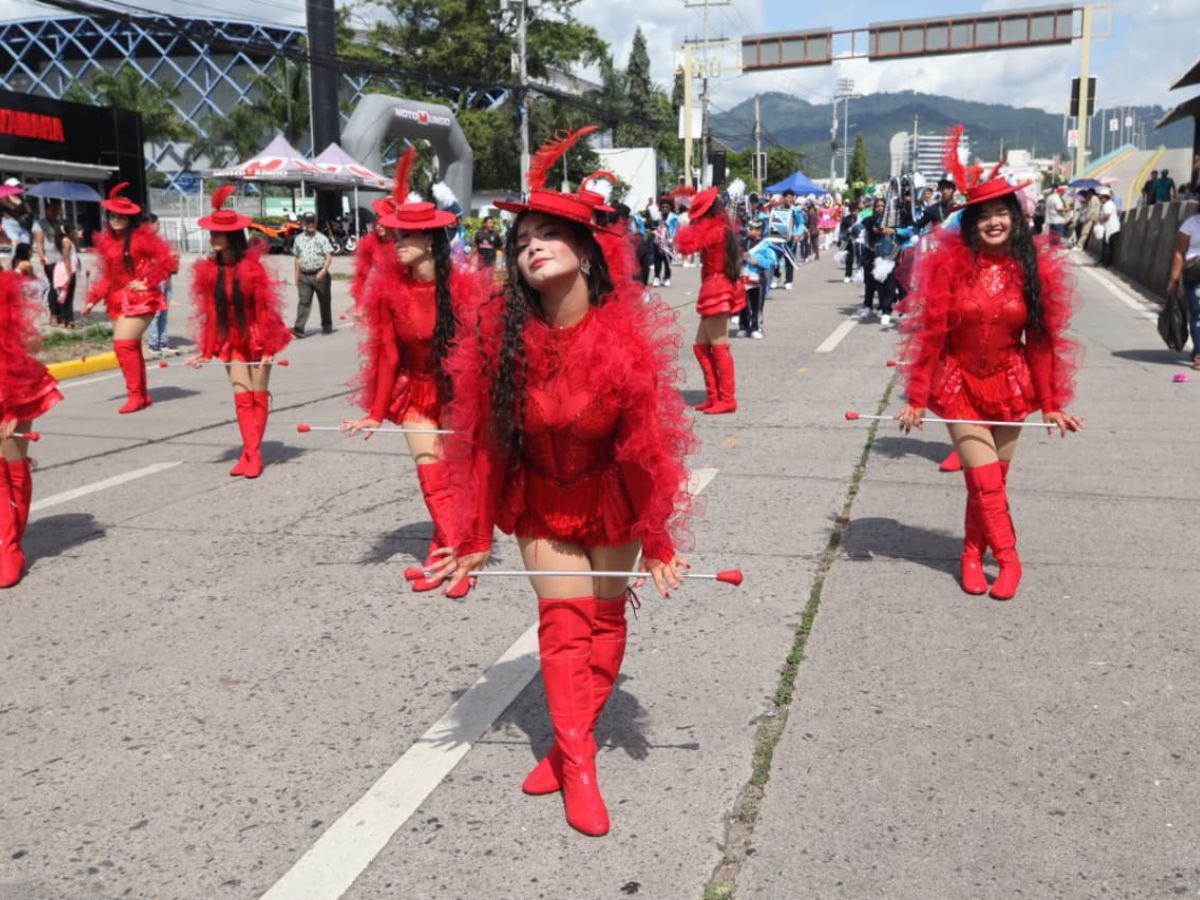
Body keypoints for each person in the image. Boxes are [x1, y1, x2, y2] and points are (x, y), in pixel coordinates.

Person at [440, 125, 694, 837]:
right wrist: (471, 536)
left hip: (610, 496)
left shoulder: (625, 341)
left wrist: (658, 538)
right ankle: (581, 767)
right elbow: (487, 449)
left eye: (549, 235)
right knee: (563, 624)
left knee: (605, 623)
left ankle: (563, 743)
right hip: (541, 498)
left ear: (585, 251)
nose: (532, 247)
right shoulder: (502, 342)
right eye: (522, 241)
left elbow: (645, 451)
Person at [895, 125, 1082, 601]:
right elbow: (931, 336)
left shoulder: (1032, 271)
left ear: (1015, 220)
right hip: (958, 382)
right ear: (971, 223)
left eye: (1002, 213)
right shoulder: (950, 267)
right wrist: (917, 397)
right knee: (985, 480)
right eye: (985, 216)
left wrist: (1051, 404)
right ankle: (1010, 560)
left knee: (989, 484)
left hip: (1011, 383)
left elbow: (1041, 343)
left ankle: (971, 554)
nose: (994, 222)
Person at [342, 155, 489, 599]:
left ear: (429, 240)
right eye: (396, 234)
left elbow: (480, 353)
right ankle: (459, 559)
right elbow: (388, 355)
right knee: (432, 476)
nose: (397, 243)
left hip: (458, 393)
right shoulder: (390, 291)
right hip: (416, 391)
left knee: (457, 478)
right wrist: (375, 412)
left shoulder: (462, 288)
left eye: (406, 235)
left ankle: (443, 552)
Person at [186, 186, 292, 478]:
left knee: (257, 396)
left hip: (258, 336)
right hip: (232, 340)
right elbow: (211, 315)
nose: (213, 238)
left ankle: (250, 454)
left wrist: (268, 348)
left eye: (218, 234)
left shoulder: (252, 268)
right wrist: (206, 351)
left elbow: (265, 310)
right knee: (242, 397)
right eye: (212, 233)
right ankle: (253, 454)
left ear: (232, 236)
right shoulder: (209, 270)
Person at [81, 182, 173, 414]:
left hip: (141, 298)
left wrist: (147, 281)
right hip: (118, 299)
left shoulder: (141, 238)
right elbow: (108, 277)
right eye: (113, 215)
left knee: (123, 344)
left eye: (121, 216)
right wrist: (93, 299)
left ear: (130, 219)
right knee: (131, 346)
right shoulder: (109, 242)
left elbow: (167, 261)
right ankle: (141, 395)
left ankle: (135, 396)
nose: (116, 219)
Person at [0, 269, 64, 588]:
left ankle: (9, 547)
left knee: (9, 465)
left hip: (11, 387)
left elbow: (12, 348)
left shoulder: (3, 289)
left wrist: (12, 408)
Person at [676, 185, 745, 414]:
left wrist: (687, 224)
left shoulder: (715, 231)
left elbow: (685, 247)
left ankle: (727, 399)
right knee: (701, 347)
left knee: (719, 346)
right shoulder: (720, 228)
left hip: (717, 289)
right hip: (714, 288)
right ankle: (714, 396)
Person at [1166, 209, 1200, 369]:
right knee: (1198, 312)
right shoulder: (1191, 224)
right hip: (1196, 274)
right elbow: (1180, 252)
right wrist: (1174, 280)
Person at [291, 211, 334, 337]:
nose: (310, 224)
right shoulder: (298, 239)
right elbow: (297, 259)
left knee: (324, 301)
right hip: (304, 276)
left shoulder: (322, 238)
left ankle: (327, 324)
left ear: (315, 222)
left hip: (320, 274)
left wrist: (323, 270)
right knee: (304, 301)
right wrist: (296, 277)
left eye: (312, 222)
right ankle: (299, 329)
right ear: (304, 223)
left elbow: (328, 257)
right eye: (308, 222)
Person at [144, 213, 180, 355]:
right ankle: (153, 342)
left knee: (164, 311)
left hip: (165, 278)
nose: (158, 226)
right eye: (156, 223)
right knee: (156, 312)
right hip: (155, 279)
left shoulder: (158, 240)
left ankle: (163, 340)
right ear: (149, 224)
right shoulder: (144, 241)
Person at [738, 218, 777, 338]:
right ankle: (744, 327)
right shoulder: (741, 242)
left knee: (757, 305)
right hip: (743, 277)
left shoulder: (765, 245)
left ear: (759, 231)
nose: (750, 230)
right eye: (749, 228)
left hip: (758, 278)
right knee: (742, 304)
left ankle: (756, 327)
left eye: (753, 229)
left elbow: (771, 262)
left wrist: (758, 261)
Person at [32, 199, 65, 325]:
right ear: (46, 210)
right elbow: (39, 242)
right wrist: (42, 257)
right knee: (53, 285)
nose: (55, 212)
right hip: (50, 258)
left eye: (57, 209)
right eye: (52, 209)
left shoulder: (60, 223)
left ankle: (62, 313)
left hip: (62, 258)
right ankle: (53, 315)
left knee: (62, 287)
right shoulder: (39, 224)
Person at [53, 224, 80, 329]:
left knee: (64, 296)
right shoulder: (66, 241)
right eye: (73, 229)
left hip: (65, 269)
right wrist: (69, 274)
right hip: (67, 270)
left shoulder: (65, 240)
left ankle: (66, 320)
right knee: (68, 297)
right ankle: (69, 320)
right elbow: (66, 258)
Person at [1097, 186, 1121, 267]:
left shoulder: (1108, 204)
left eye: (1101, 198)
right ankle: (1103, 262)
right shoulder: (1108, 204)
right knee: (1107, 246)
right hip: (1111, 228)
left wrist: (1100, 221)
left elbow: (1107, 216)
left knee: (1107, 246)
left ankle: (1104, 263)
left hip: (1111, 229)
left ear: (1105, 197)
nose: (1100, 199)